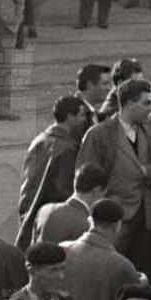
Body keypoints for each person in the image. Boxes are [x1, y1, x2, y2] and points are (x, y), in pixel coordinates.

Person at [17, 94, 92, 249]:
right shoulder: (68, 149)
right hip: (53, 219)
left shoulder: (39, 140)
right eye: (81, 115)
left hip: (31, 212)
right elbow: (66, 190)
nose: (84, 120)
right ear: (70, 117)